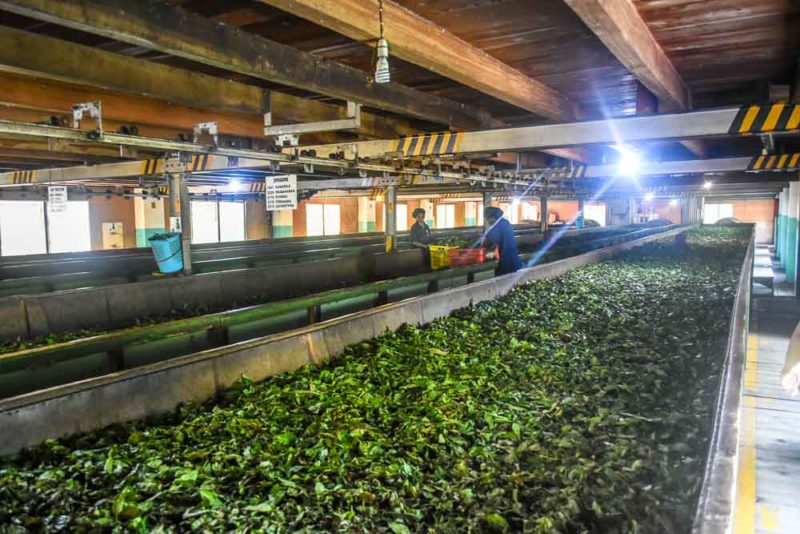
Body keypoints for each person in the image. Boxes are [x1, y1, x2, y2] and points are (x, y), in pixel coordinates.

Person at [483, 206, 523, 275]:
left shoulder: (498, 226)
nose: (487, 221)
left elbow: (488, 242)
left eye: (487, 218)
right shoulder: (505, 223)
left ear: (492, 217)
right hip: (514, 260)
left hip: (507, 263)